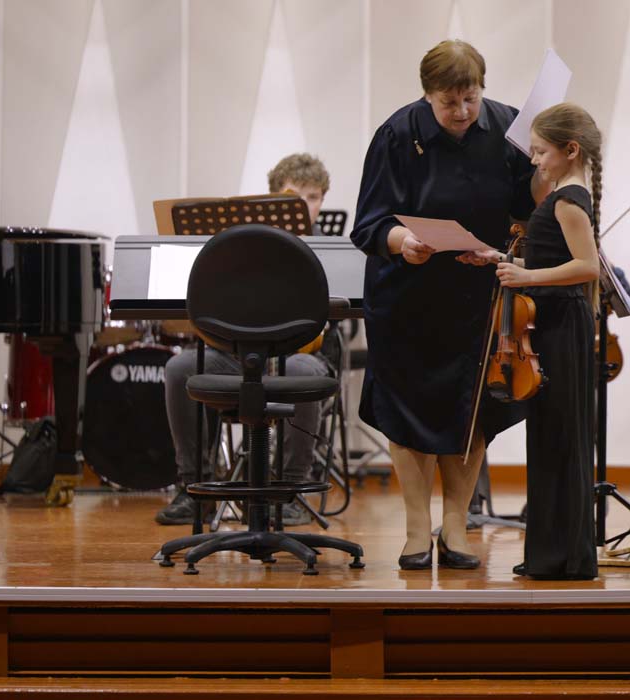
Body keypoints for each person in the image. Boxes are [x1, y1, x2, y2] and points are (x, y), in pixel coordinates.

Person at [350, 40, 542, 570]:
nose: (461, 112)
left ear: (482, 89)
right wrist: (402, 242)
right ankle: (416, 529)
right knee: (406, 414)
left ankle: (456, 526)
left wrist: (543, 175)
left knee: (472, 411)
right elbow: (369, 223)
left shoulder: (507, 127)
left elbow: (525, 206)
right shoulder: (396, 133)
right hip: (406, 296)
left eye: (470, 98)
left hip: (477, 296)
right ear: (427, 95)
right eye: (448, 102)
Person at [461, 103, 602, 579]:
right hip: (554, 322)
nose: (535, 161)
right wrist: (499, 258)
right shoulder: (562, 195)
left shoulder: (568, 200)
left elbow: (587, 267)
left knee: (561, 438)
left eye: (541, 152)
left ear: (570, 149)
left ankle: (566, 557)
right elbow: (550, 260)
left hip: (562, 326)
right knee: (549, 437)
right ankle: (551, 554)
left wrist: (525, 276)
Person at [155, 153, 333, 526]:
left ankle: (291, 490)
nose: (304, 206)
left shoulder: (330, 250)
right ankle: (194, 487)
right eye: (293, 196)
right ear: (271, 198)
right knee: (179, 368)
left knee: (303, 371)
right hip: (238, 356)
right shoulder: (242, 246)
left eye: (314, 197)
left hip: (298, 355)